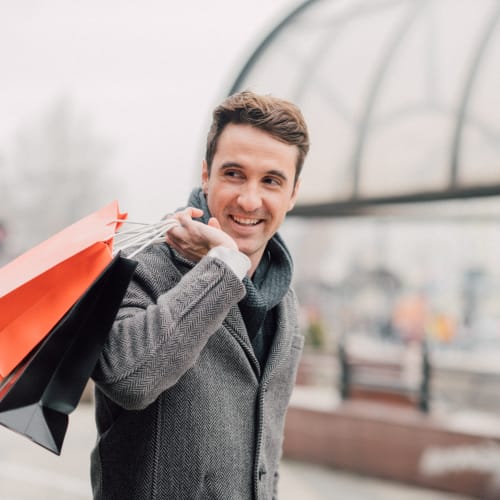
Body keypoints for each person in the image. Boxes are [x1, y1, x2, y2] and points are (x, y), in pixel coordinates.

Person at [91, 90, 310, 499]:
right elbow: (128, 379)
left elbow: (268, 453)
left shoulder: (284, 299)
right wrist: (224, 267)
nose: (249, 199)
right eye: (233, 174)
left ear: (293, 193)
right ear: (206, 175)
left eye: (271, 181)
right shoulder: (141, 265)